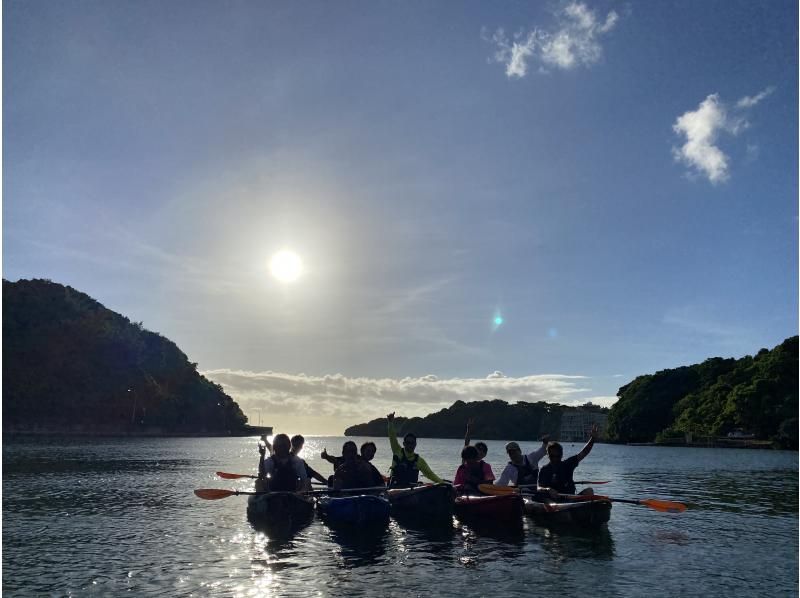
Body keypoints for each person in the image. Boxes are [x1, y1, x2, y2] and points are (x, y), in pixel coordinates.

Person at [537, 424, 598, 497]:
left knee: (589, 491)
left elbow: (583, 453)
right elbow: (539, 488)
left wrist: (592, 439)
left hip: (570, 499)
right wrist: (547, 489)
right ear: (548, 455)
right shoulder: (544, 470)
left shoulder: (568, 464)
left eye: (558, 456)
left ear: (562, 455)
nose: (555, 458)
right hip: (553, 501)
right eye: (552, 456)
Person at [386, 412, 442, 487]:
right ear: (404, 444)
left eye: (412, 443)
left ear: (415, 444)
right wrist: (390, 422)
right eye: (408, 443)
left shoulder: (419, 460)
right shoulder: (397, 451)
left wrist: (443, 483)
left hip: (411, 493)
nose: (410, 445)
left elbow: (430, 474)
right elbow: (392, 436)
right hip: (394, 491)